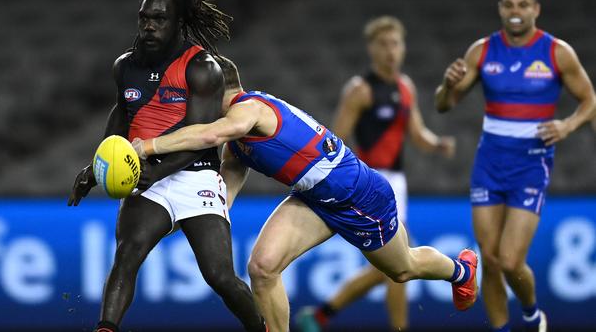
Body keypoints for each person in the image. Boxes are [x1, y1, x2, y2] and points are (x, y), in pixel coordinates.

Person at [132, 56, 478, 332]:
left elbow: (212, 134)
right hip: (315, 198)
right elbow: (220, 195)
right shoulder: (236, 144)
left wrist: (147, 146)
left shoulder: (248, 110)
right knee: (263, 268)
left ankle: (461, 271)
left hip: (360, 197)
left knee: (403, 269)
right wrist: (176, 216)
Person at [66, 0, 266, 332]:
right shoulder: (125, 65)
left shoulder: (203, 67)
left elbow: (203, 138)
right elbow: (122, 115)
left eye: (159, 19)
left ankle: (261, 328)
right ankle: (105, 328)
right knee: (127, 255)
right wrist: (97, 167)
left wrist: (156, 172)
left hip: (196, 173)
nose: (149, 26)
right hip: (146, 175)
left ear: (178, 22)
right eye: (144, 18)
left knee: (219, 276)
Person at [434, 0, 596, 332]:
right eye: (509, 5)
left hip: (531, 164)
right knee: (488, 261)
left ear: (536, 9)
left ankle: (532, 313)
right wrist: (446, 85)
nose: (516, 11)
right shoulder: (482, 51)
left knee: (509, 260)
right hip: (489, 163)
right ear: (500, 9)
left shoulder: (557, 52)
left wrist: (568, 125)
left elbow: (590, 100)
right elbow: (445, 105)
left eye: (523, 4)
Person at [296, 16, 455, 332]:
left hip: (398, 184)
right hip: (371, 182)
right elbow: (335, 139)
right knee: (402, 262)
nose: (390, 51)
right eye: (383, 44)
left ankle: (320, 316)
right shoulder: (360, 90)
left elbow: (417, 132)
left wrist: (437, 144)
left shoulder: (406, 87)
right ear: (371, 49)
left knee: (393, 265)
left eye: (395, 43)